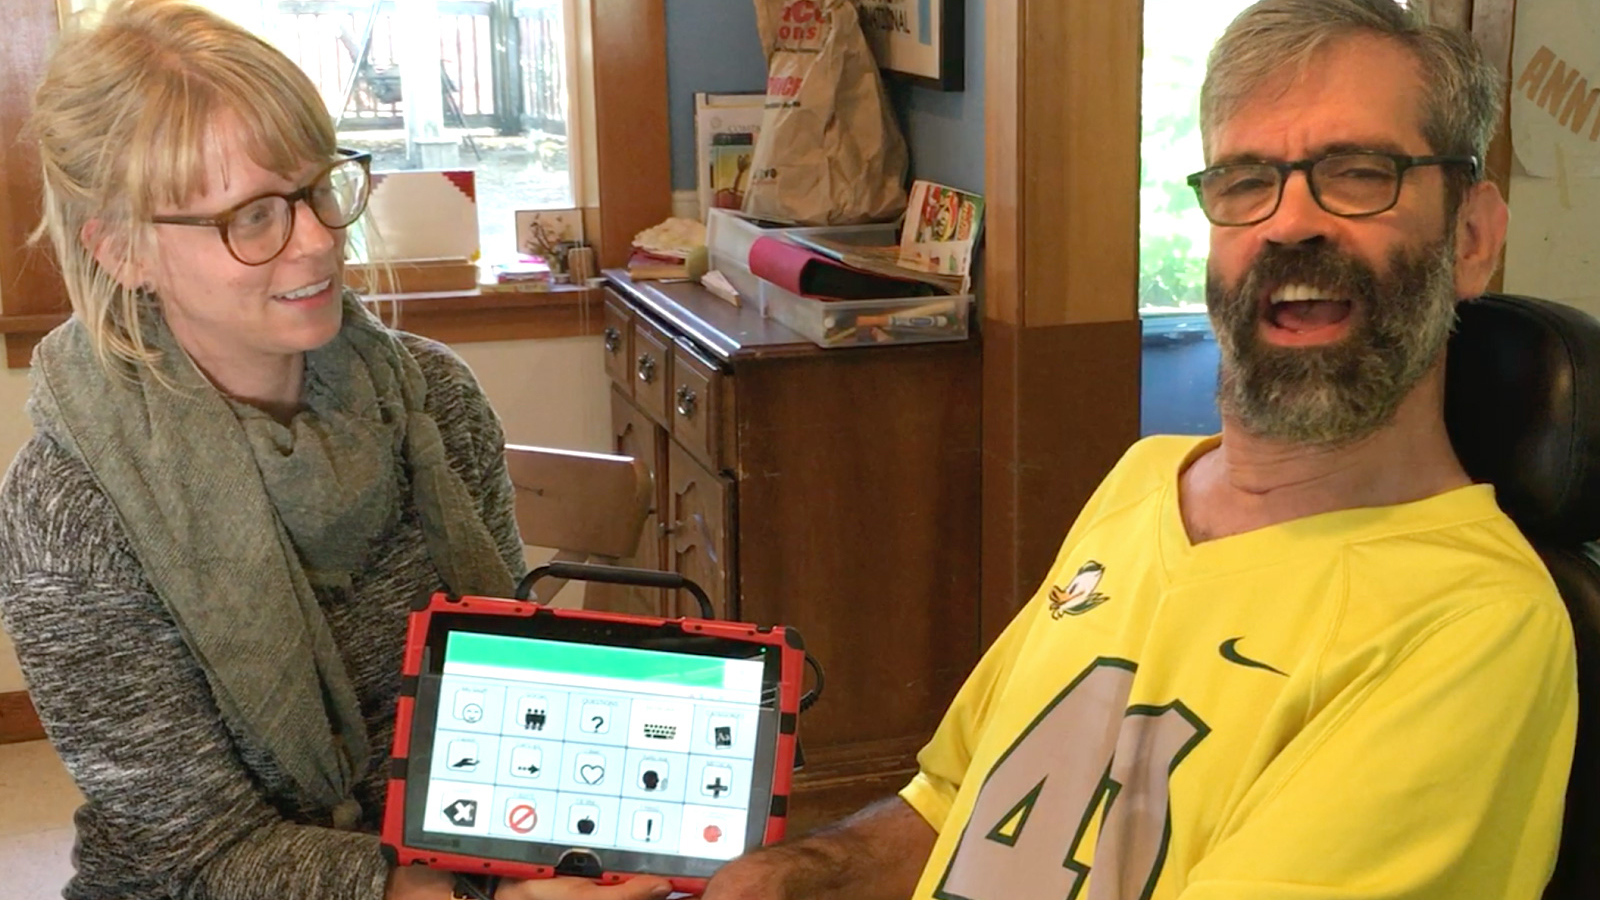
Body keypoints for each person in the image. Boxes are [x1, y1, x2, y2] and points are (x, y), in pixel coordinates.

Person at [703, 1, 1578, 898]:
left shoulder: (1471, 627)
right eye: (1246, 181)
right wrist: (792, 875)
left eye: (1360, 174)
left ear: (1471, 239)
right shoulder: (1147, 480)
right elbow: (953, 803)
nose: (1290, 223)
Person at [0, 2, 668, 899]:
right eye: (251, 217)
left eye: (318, 188)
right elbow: (195, 855)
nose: (318, 239)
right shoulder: (69, 510)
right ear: (123, 250)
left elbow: (509, 699)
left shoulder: (431, 400)